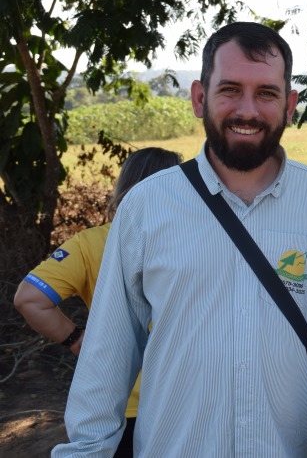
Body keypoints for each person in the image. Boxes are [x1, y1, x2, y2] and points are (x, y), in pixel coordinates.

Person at [53, 22, 307, 457]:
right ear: (199, 97)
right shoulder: (146, 207)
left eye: (266, 93)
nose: (247, 110)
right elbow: (107, 358)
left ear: (289, 106)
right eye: (230, 89)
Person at [15, 147, 182, 457]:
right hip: (183, 403)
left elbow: (29, 298)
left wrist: (77, 340)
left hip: (117, 404)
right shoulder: (195, 241)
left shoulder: (90, 242)